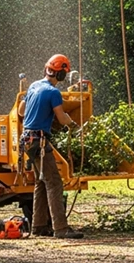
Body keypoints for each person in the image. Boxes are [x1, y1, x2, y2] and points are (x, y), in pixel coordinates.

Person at [18, 54, 84, 239]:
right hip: (39, 140)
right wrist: (75, 127)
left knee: (41, 182)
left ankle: (38, 227)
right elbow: (62, 117)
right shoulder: (53, 92)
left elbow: (20, 111)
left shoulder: (33, 86)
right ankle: (61, 229)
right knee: (54, 182)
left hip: (27, 140)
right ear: (61, 74)